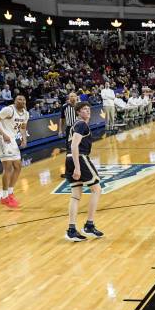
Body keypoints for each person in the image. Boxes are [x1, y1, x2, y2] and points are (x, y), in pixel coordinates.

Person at [64, 102, 103, 242]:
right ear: (78, 112)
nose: (88, 111)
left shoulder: (75, 125)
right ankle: (89, 225)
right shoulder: (81, 124)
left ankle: (71, 230)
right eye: (84, 109)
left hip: (69, 159)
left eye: (88, 109)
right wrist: (78, 167)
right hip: (79, 158)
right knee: (97, 189)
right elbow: (74, 145)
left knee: (75, 195)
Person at [0, 94, 29, 208]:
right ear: (15, 101)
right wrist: (4, 134)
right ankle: (4, 196)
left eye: (23, 99)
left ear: (25, 102)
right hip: (1, 139)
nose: (21, 101)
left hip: (12, 140)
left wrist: (24, 138)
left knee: (18, 166)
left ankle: (10, 192)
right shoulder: (9, 110)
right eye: (18, 99)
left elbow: (22, 127)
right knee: (8, 167)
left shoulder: (26, 114)